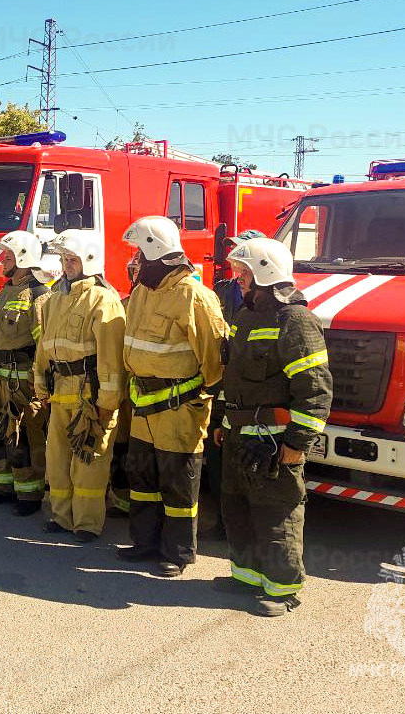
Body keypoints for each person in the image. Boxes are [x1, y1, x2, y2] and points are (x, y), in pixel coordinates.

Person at [216, 237, 331, 616]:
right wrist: (221, 420)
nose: (239, 279)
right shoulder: (246, 316)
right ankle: (247, 576)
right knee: (237, 508)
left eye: (244, 272)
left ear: (266, 272)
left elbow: (314, 389)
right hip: (238, 435)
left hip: (274, 440)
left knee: (276, 512)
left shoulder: (296, 321)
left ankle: (283, 589)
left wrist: (298, 441)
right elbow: (231, 376)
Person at [119, 215, 227, 576]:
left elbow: (214, 359)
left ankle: (177, 553)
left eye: (140, 254)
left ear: (157, 254)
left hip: (179, 409)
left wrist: (200, 398)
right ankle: (144, 542)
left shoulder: (195, 296)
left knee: (177, 485)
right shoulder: (141, 293)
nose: (135, 262)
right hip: (143, 408)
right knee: (143, 480)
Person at [34, 231, 126, 541]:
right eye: (63, 259)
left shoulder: (104, 300)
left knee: (89, 460)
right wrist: (41, 385)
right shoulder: (54, 300)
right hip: (60, 389)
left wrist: (107, 402)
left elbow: (112, 358)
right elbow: (43, 348)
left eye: (71, 259)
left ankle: (86, 524)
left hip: (89, 394)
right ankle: (61, 517)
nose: (66, 265)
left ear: (88, 260)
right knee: (57, 458)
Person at [0, 231, 51, 515]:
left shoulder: (38, 296)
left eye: (8, 256)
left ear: (23, 257)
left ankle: (29, 495)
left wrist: (37, 380)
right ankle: (3, 486)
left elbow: (43, 345)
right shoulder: (4, 292)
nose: (2, 261)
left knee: (23, 436)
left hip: (23, 380)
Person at [202, 228, 266, 542]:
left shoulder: (273, 298)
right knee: (216, 455)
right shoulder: (221, 290)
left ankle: (249, 525)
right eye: (233, 256)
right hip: (220, 385)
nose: (235, 263)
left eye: (242, 255)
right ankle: (223, 520)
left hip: (252, 392)